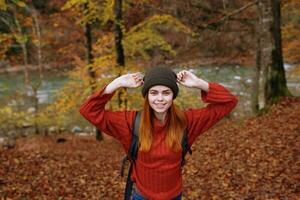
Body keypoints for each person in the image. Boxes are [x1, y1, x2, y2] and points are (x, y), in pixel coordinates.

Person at [79, 67, 238, 200]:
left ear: (173, 95)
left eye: (166, 92)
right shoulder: (130, 123)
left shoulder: (187, 121)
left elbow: (229, 102)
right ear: (147, 95)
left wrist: (199, 84)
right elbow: (88, 111)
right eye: (154, 93)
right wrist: (115, 84)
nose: (160, 99)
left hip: (174, 196)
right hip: (142, 196)